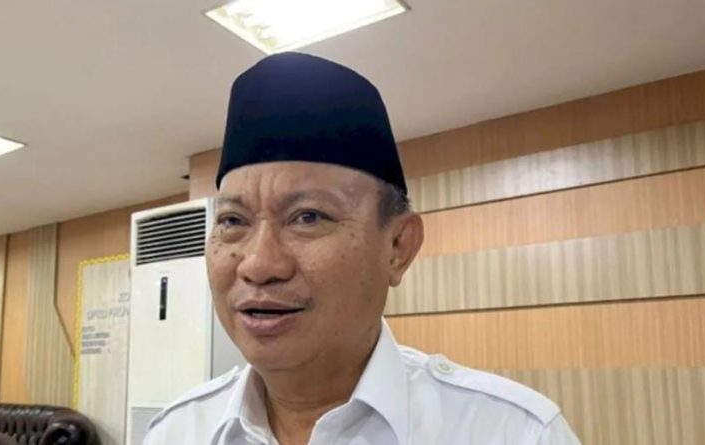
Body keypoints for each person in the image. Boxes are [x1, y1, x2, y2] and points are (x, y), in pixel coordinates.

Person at [143, 52, 581, 445]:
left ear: (398, 247)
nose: (259, 265)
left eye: (308, 217)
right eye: (233, 221)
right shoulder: (177, 432)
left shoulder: (513, 433)